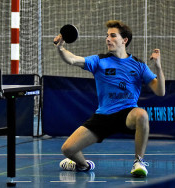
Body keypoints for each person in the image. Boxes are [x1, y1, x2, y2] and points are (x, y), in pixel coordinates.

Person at [54, 20, 165, 177]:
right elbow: (72, 59)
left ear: (124, 40)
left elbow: (160, 91)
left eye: (113, 36)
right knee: (67, 149)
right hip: (103, 116)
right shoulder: (99, 61)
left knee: (142, 114)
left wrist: (158, 68)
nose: (108, 39)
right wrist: (60, 48)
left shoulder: (138, 65)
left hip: (127, 113)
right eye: (107, 36)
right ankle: (84, 165)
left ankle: (138, 162)